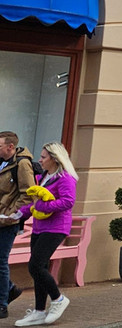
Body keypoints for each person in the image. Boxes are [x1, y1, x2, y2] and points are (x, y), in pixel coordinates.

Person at [11, 143, 77, 326]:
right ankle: (39, 311)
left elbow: (68, 201)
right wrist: (19, 214)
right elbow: (35, 202)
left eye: (43, 157)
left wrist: (44, 206)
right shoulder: (45, 177)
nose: (39, 160)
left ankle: (58, 299)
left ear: (54, 159)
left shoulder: (66, 178)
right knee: (40, 268)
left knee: (35, 266)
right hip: (40, 227)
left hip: (56, 227)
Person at [0, 132, 34, 320]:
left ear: (10, 147)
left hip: (6, 222)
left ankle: (2, 304)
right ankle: (10, 289)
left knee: (0, 261)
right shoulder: (1, 162)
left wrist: (10, 214)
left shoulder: (21, 164)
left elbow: (28, 194)